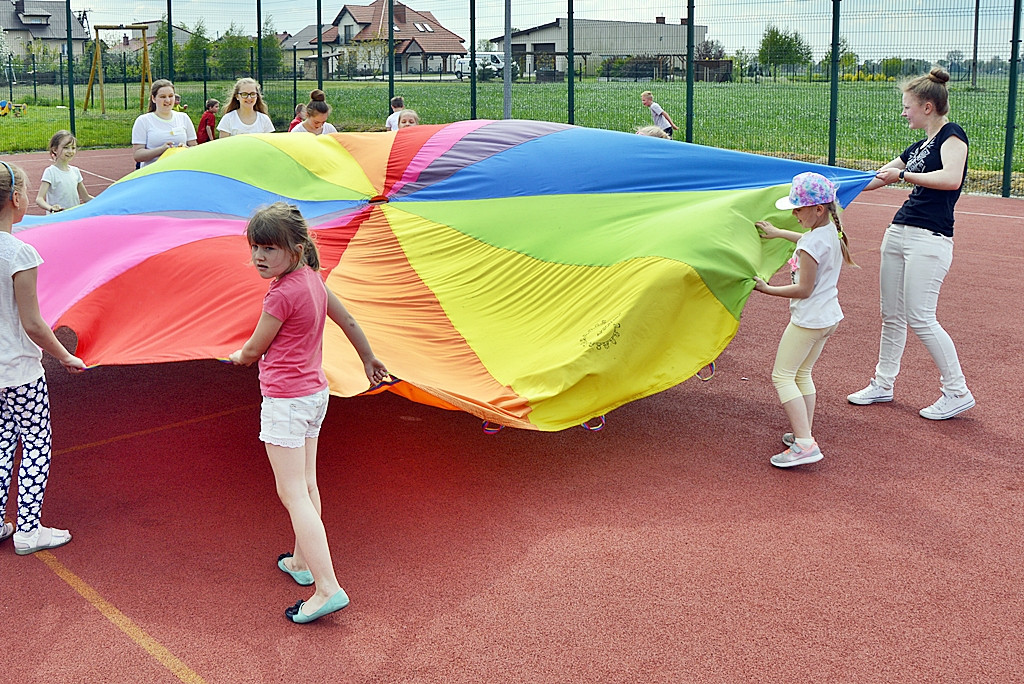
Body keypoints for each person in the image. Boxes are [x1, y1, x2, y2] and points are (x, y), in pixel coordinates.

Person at [229, 202, 388, 624]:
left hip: (285, 402)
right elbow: (348, 321)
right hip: (315, 395)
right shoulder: (313, 280)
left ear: (296, 250)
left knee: (293, 493)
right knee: (307, 484)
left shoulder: (281, 294)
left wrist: (238, 356)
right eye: (255, 248)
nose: (259, 257)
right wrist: (369, 359)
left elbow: (254, 348)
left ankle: (327, 586)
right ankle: (301, 562)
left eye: (269, 248)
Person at [846, 67, 974, 420]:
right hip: (900, 231)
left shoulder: (952, 136)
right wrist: (832, 184)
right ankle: (883, 384)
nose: (904, 113)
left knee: (920, 316)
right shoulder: (919, 146)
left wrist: (904, 175)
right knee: (892, 315)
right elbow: (877, 177)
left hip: (930, 238)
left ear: (928, 107)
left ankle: (957, 391)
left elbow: (951, 179)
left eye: (907, 107)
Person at [0, 162, 87, 554]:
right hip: (19, 369)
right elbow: (33, 324)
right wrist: (65, 356)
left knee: (1, 442)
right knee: (35, 442)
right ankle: (28, 529)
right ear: (17, 199)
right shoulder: (19, 254)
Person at [752, 172, 857, 468]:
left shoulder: (813, 244)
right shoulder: (830, 233)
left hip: (808, 320)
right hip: (827, 317)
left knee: (782, 376)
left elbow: (803, 289)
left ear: (818, 209)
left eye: (798, 209)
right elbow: (806, 239)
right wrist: (778, 233)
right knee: (802, 374)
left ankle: (804, 444)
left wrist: (767, 288)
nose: (795, 214)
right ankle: (804, 433)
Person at [131, 79, 198, 167]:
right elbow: (138, 155)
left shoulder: (183, 117)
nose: (167, 100)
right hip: (154, 173)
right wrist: (161, 150)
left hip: (180, 170)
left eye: (171, 96)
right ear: (153, 99)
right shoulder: (143, 121)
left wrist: (185, 149)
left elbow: (194, 147)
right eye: (162, 97)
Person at [35, 130, 92, 213]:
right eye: (66, 147)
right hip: (57, 219)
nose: (70, 151)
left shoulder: (75, 171)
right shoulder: (50, 172)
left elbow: (85, 197)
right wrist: (51, 208)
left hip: (73, 217)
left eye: (73, 148)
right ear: (54, 149)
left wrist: (104, 201)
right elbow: (39, 199)